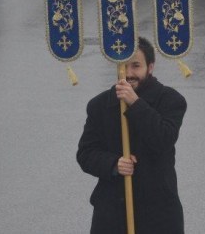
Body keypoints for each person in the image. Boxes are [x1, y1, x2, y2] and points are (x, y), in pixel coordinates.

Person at [77, 37, 186, 233]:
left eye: (136, 66)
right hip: (112, 212)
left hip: (158, 213)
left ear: (150, 67)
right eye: (124, 66)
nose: (128, 73)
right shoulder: (99, 105)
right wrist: (113, 163)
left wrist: (135, 103)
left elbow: (164, 139)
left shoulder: (171, 100)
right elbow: (86, 154)